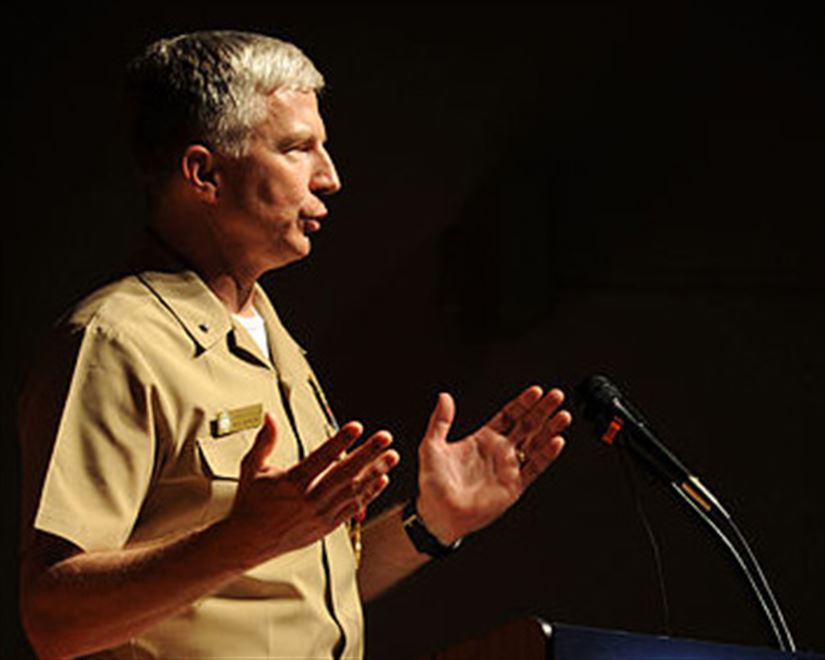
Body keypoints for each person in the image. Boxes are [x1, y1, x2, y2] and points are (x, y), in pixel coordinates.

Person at [18, 30, 571, 659]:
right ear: (204, 172)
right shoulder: (116, 342)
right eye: (297, 148)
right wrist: (239, 540)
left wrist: (432, 520)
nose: (329, 177)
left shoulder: (271, 335)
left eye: (322, 149)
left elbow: (289, 593)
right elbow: (53, 620)